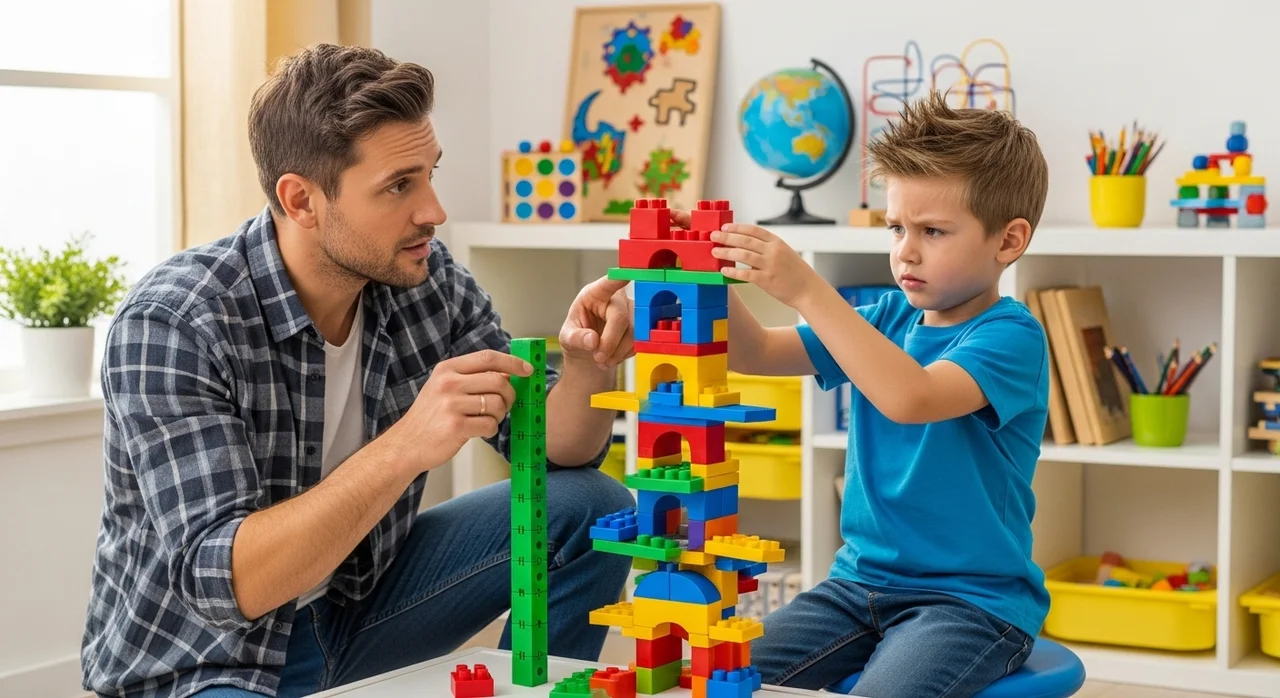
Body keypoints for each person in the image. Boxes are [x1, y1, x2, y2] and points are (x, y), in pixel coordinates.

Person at [80, 44, 635, 698]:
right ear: (301, 200)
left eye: (429, 174)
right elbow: (229, 585)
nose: (433, 211)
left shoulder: (424, 279)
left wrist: (586, 365)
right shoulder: (175, 323)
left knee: (591, 507)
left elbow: (548, 451)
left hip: (354, 614)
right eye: (399, 186)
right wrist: (408, 443)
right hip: (206, 659)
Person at [700, 91, 1052, 697]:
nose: (905, 250)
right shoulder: (886, 316)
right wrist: (703, 270)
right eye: (896, 228)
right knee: (716, 677)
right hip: (855, 588)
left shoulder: (1012, 336)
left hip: (971, 604)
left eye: (932, 231)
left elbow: (912, 398)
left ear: (1008, 240)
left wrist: (808, 289)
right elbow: (754, 352)